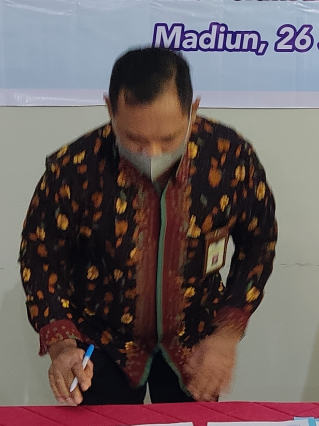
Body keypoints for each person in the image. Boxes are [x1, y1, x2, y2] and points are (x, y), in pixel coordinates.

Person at [19, 47, 277, 405]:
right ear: (110, 110)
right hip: (101, 344)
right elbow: (40, 257)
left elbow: (259, 242)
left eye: (169, 139)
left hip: (195, 342)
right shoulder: (75, 168)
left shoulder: (230, 158)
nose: (153, 154)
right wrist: (61, 345)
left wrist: (226, 334)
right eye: (134, 140)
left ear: (193, 110)